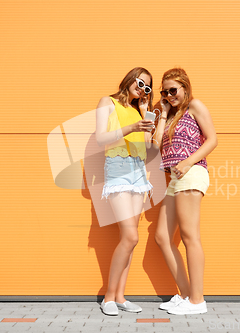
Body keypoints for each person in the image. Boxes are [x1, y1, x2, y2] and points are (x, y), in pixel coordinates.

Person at [153, 68, 218, 315]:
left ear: (185, 88)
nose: (169, 95)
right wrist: (163, 113)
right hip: (175, 179)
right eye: (164, 92)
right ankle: (185, 294)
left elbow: (212, 139)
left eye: (173, 90)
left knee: (190, 236)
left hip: (191, 173)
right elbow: (155, 145)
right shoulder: (169, 116)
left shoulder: (195, 107)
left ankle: (197, 301)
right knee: (161, 236)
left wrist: (188, 162)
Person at [95, 67, 155, 316]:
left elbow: (150, 148)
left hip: (138, 171)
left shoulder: (137, 111)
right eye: (140, 83)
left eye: (147, 87)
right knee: (131, 237)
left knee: (129, 240)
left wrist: (145, 115)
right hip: (118, 169)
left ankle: (120, 296)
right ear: (130, 79)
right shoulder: (107, 102)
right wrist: (132, 128)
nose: (141, 88)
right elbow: (101, 138)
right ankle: (108, 297)